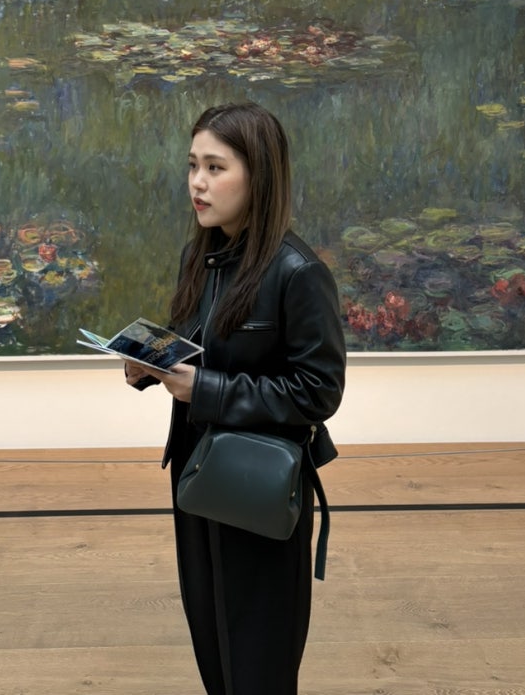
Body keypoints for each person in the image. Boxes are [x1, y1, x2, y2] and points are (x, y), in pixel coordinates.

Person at [125, 101, 346, 695]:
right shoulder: (201, 256)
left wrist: (205, 389)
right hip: (196, 474)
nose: (197, 182)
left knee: (259, 661)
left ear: (259, 175)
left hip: (259, 485)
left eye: (216, 167)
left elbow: (318, 390)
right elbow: (203, 346)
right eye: (192, 165)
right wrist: (152, 362)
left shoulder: (299, 273)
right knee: (214, 644)